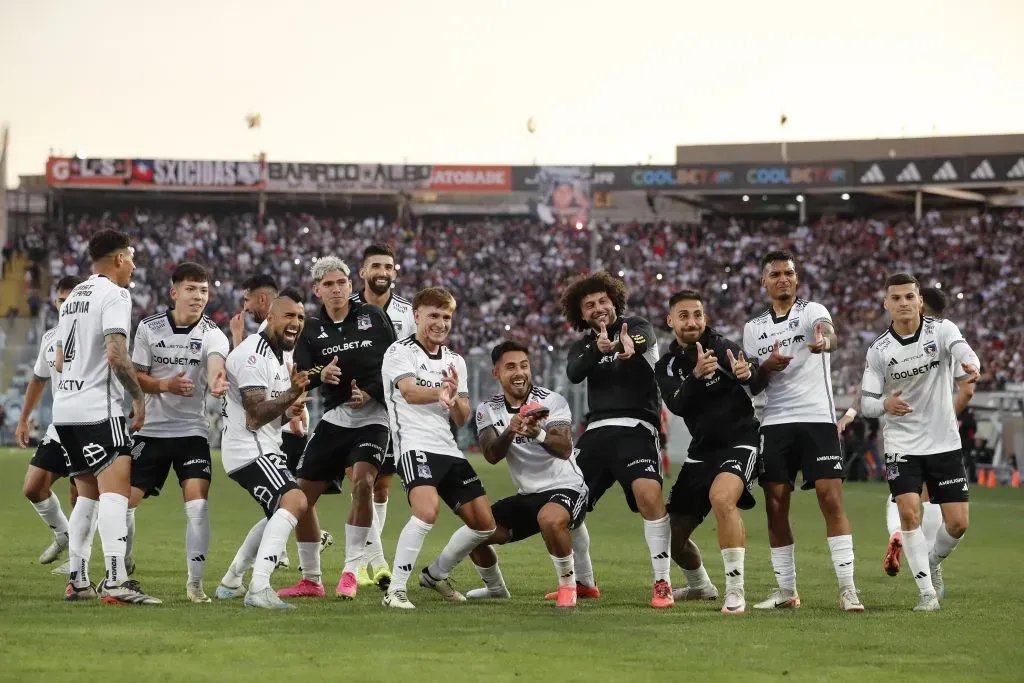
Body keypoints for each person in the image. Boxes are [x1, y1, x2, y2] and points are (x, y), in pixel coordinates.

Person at [742, 250, 863, 612]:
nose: (783, 279)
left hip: (816, 419)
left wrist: (825, 341)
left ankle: (848, 588)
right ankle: (786, 591)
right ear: (764, 281)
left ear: (796, 279)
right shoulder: (753, 329)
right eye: (775, 274)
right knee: (775, 506)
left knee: (831, 499)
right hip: (775, 422)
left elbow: (830, 335)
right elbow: (755, 385)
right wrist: (767, 366)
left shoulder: (812, 311)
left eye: (789, 273)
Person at [429, 341, 590, 608]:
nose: (519, 373)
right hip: (528, 494)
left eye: (524, 366)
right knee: (477, 530)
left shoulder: (552, 400)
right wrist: (511, 431)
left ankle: (567, 587)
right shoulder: (487, 410)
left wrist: (537, 433)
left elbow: (563, 449)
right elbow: (492, 455)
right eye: (511, 367)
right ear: (496, 373)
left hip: (567, 487)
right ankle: (495, 589)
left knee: (550, 519)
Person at [276, 257, 396, 600]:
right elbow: (300, 374)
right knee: (299, 498)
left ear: (350, 285)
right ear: (317, 290)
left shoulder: (373, 317)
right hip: (334, 419)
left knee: (363, 483)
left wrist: (369, 391)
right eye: (328, 284)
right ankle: (311, 580)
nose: (336, 289)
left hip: (373, 418)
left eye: (341, 282)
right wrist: (320, 376)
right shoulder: (311, 328)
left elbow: (394, 363)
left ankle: (350, 571)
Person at [859, 273, 980, 612]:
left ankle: (932, 562)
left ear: (919, 301)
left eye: (909, 297)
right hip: (902, 445)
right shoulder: (879, 350)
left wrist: (972, 365)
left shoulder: (942, 331)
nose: (903, 303)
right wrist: (885, 404)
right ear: (887, 304)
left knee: (958, 524)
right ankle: (926, 594)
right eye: (895, 298)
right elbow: (867, 402)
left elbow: (963, 352)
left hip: (944, 443)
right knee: (909, 513)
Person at [52, 229, 159, 604]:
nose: (132, 265)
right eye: (130, 257)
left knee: (87, 496)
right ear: (118, 259)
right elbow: (116, 353)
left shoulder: (73, 298)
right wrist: (138, 396)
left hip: (65, 409)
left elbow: (61, 359)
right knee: (115, 491)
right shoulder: (115, 294)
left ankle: (77, 578)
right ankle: (116, 579)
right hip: (100, 407)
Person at [561, 271, 673, 609]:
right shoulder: (582, 346)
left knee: (648, 494)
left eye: (603, 301)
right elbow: (574, 372)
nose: (598, 308)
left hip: (637, 427)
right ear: (582, 314)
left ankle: (662, 582)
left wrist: (628, 345)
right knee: (564, 504)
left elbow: (642, 339)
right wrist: (597, 349)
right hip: (595, 433)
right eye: (590, 305)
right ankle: (584, 582)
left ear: (614, 303)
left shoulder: (636, 326)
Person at [379, 287, 496, 609]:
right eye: (434, 315)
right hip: (413, 445)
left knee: (484, 523)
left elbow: (461, 416)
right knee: (427, 511)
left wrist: (455, 396)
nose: (441, 323)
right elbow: (409, 392)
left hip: (448, 448)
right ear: (417, 316)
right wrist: (440, 393)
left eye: (446, 317)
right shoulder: (399, 352)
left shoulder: (456, 361)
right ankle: (396, 590)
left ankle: (436, 573)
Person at [127, 262, 230, 603]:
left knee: (198, 505)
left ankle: (195, 584)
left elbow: (216, 363)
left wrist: (217, 381)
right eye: (191, 289)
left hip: (192, 433)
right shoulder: (149, 328)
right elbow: (135, 375)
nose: (199, 296)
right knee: (124, 504)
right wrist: (164, 385)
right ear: (174, 293)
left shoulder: (213, 332)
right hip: (151, 432)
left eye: (203, 290)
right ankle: (122, 565)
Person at [655, 290, 760, 614]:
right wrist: (697, 377)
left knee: (722, 498)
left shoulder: (722, 345)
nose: (692, 322)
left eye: (697, 314)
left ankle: (735, 590)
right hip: (702, 450)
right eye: (684, 316)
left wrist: (749, 373)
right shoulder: (667, 364)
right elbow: (676, 403)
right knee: (669, 538)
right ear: (671, 321)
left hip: (740, 440)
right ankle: (701, 586)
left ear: (705, 318)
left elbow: (752, 376)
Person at [213, 293, 311, 609]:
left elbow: (267, 412)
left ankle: (231, 581)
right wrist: (290, 396)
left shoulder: (279, 355)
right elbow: (254, 417)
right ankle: (260, 588)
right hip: (249, 449)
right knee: (295, 500)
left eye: (300, 317)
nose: (295, 323)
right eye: (288, 316)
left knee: (276, 512)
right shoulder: (252, 356)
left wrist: (289, 411)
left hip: (261, 446)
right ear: (270, 317)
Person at [231, 275, 331, 566]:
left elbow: (288, 377)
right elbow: (253, 374)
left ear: (264, 301)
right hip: (268, 427)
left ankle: (256, 568)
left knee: (291, 501)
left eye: (248, 300)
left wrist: (294, 415)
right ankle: (267, 568)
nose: (245, 307)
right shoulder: (266, 341)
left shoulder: (279, 336)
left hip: (284, 425)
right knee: (290, 501)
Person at [347, 243, 415, 586]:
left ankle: (362, 564)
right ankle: (371, 562)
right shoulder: (345, 307)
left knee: (382, 488)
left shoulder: (407, 312)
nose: (383, 272)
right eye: (376, 266)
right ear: (362, 272)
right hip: (351, 406)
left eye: (388, 266)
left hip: (392, 409)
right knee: (360, 481)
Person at [17, 275, 83, 568]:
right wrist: (23, 419)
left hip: (88, 425)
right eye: (61, 300)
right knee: (33, 488)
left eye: (71, 300)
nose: (65, 305)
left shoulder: (95, 337)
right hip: (59, 426)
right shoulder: (49, 338)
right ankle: (64, 534)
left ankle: (80, 558)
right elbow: (38, 380)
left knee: (79, 494)